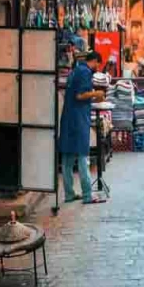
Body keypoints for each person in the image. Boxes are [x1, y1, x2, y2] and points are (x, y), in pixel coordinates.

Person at [58, 51, 106, 204]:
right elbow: (80, 95)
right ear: (96, 61)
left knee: (68, 158)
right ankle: (87, 194)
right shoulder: (85, 72)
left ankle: (69, 194)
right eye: (99, 65)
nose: (98, 68)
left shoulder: (76, 70)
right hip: (79, 119)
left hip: (68, 117)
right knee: (83, 156)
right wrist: (96, 93)